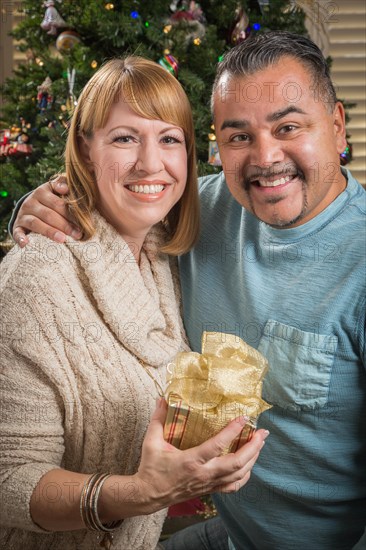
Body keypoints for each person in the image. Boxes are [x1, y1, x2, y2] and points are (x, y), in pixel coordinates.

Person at [7, 31, 366, 549]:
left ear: (335, 125)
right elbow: (122, 195)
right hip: (233, 532)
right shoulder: (202, 210)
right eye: (238, 135)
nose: (265, 158)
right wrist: (37, 204)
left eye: (288, 127)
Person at [0, 56, 269, 550]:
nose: (151, 163)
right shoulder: (37, 278)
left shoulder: (168, 250)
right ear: (85, 148)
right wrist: (141, 494)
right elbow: (8, 480)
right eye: (125, 138)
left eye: (170, 139)